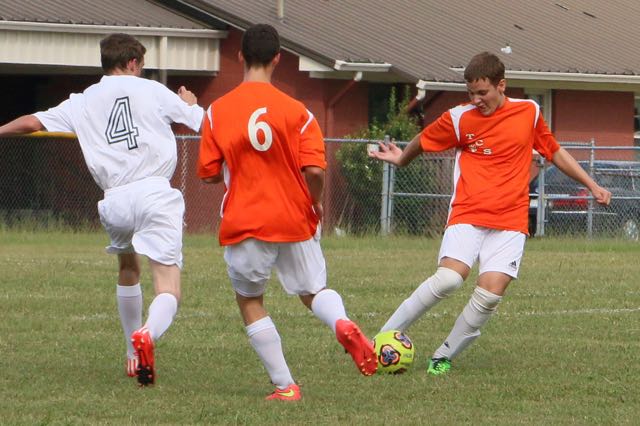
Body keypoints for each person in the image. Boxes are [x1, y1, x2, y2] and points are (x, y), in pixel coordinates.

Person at [369, 51, 611, 375]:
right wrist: (401, 159)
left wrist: (592, 185)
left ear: (501, 85)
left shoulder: (529, 112)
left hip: (510, 221)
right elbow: (423, 141)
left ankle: (443, 356)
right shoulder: (459, 118)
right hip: (468, 213)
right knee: (448, 279)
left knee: (489, 295)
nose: (476, 100)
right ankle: (379, 340)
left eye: (482, 93)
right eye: (471, 93)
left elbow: (553, 151)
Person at [0, 33, 204, 386]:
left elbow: (32, 122)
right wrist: (189, 102)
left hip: (115, 199)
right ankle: (147, 335)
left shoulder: (82, 100)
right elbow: (202, 122)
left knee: (127, 267)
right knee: (168, 286)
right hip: (154, 192)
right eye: (141, 65)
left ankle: (131, 354)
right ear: (132, 63)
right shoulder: (152, 90)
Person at [197, 24, 376, 401]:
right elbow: (315, 171)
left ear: (240, 56)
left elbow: (210, 174)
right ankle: (341, 322)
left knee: (250, 300)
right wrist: (315, 201)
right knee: (313, 291)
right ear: (278, 58)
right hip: (294, 217)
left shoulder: (217, 111)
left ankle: (285, 386)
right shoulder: (299, 112)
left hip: (246, 220)